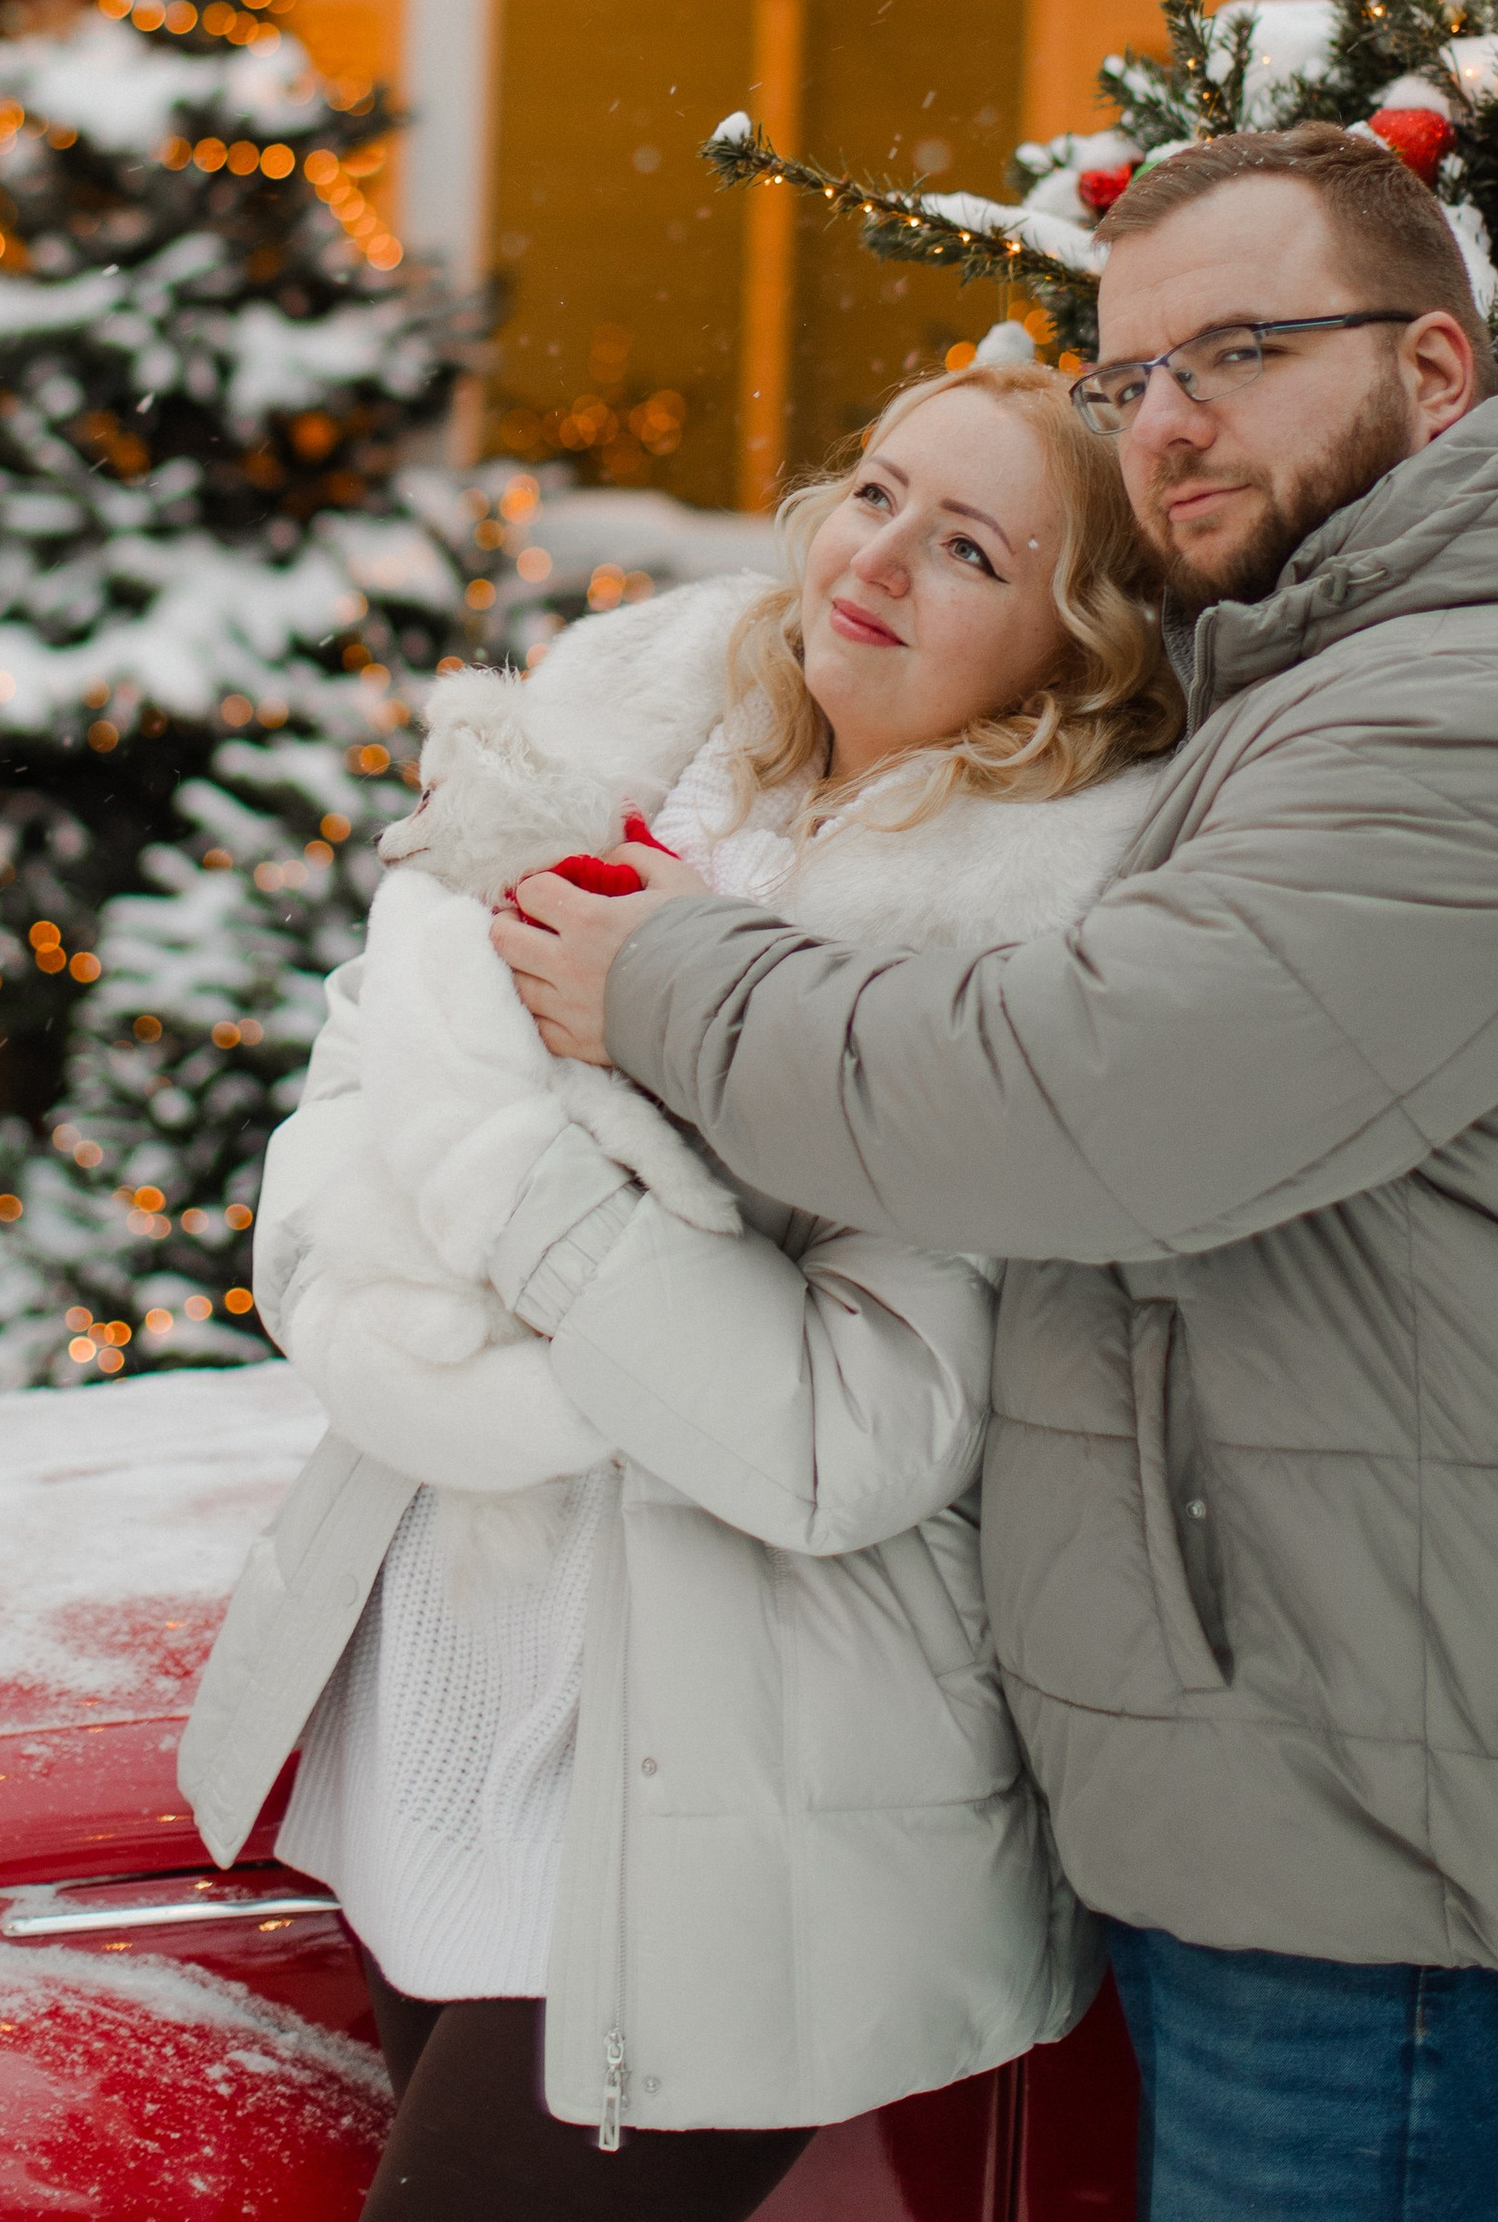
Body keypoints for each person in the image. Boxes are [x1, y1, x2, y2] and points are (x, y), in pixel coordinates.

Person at [500, 124, 1498, 2222]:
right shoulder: (1355, 665)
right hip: (1339, 1782)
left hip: (1416, 1861)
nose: (1166, 425)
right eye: (1131, 375)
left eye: (1241, 351)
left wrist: (672, 981)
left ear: (1434, 376)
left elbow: (1079, 1098)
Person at [181, 361, 1184, 2218]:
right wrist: (436, 1291)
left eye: (967, 545)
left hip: (717, 1793)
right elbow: (333, 1134)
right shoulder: (627, 775)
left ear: (1075, 650)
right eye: (875, 490)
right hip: (456, 1704)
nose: (876, 558)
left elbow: (843, 1439)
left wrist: (506, 1192)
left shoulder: (1003, 978)